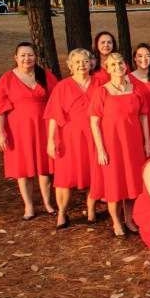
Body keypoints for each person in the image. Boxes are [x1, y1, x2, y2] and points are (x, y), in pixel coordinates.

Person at [0, 42, 58, 221]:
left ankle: (47, 202)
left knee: (44, 168)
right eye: (22, 55)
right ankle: (29, 205)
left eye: (30, 55)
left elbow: (58, 99)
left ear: (35, 57)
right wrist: (0, 132)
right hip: (18, 130)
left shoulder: (44, 75)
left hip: (43, 127)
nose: (26, 58)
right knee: (24, 168)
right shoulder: (7, 79)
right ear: (16, 58)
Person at [89, 52, 150, 237]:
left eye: (121, 63)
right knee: (114, 184)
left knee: (132, 183)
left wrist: (147, 142)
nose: (118, 67)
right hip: (112, 144)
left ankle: (129, 220)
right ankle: (116, 221)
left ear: (126, 65)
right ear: (107, 68)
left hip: (132, 143)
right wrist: (100, 149)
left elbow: (143, 117)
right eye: (113, 64)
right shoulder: (102, 91)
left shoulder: (136, 89)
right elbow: (94, 122)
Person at [46, 49, 98, 228]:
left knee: (94, 172)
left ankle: (91, 209)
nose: (81, 65)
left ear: (91, 63)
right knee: (65, 176)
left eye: (85, 61)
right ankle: (62, 212)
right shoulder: (63, 86)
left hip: (93, 135)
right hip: (69, 136)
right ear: (70, 66)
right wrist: (51, 140)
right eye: (77, 62)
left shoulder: (99, 83)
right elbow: (53, 115)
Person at [128, 44, 150, 153]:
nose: (144, 59)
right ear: (134, 58)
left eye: (147, 55)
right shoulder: (128, 79)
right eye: (140, 56)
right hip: (139, 124)